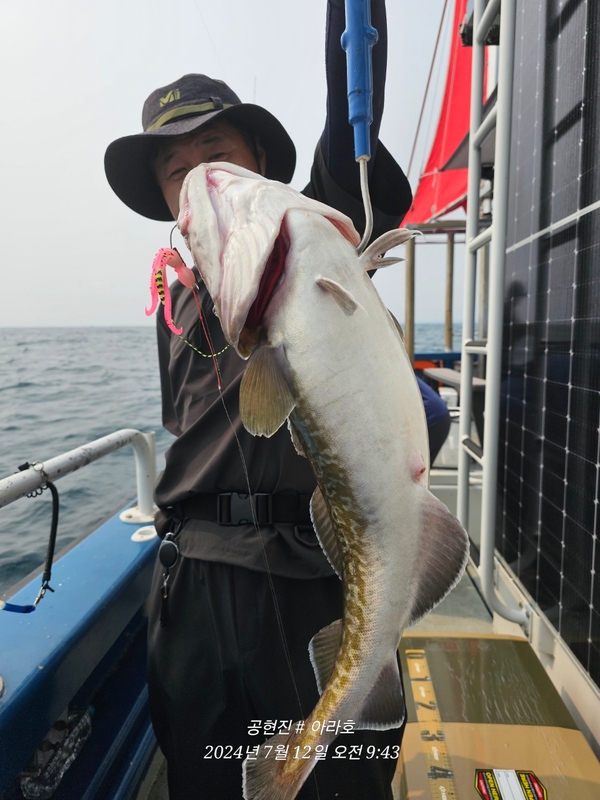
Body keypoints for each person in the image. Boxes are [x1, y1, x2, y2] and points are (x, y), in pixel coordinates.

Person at [104, 2, 442, 797]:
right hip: (192, 583)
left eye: (215, 154)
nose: (200, 179)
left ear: (259, 160)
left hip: (308, 572)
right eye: (176, 173)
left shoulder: (311, 228)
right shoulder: (175, 295)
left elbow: (352, 82)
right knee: (205, 775)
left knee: (338, 780)